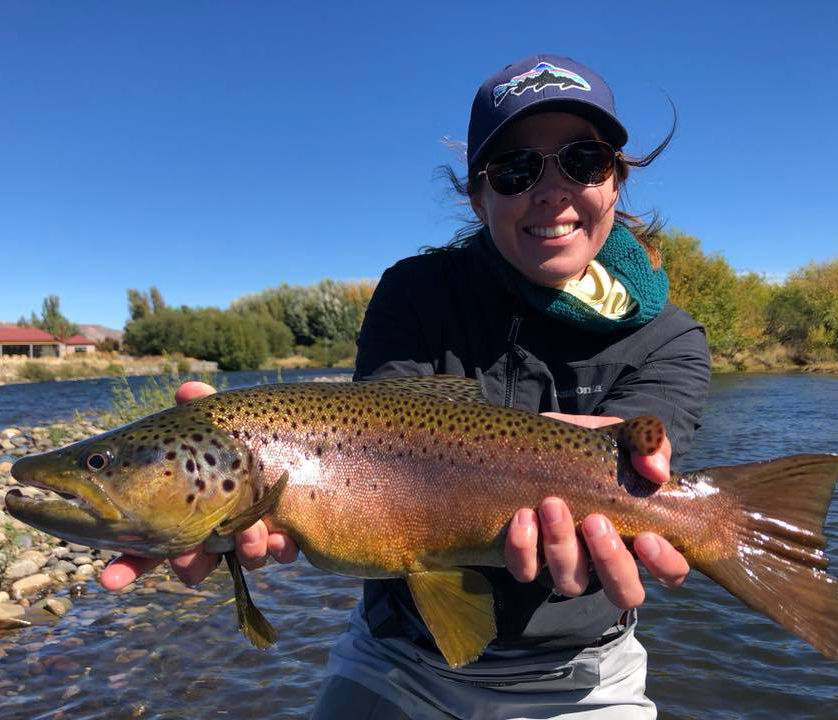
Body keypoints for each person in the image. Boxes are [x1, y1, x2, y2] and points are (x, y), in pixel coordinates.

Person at [102, 54, 710, 719]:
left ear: (615, 182)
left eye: (583, 161)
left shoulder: (673, 339)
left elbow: (639, 457)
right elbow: (384, 434)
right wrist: (246, 475)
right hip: (399, 658)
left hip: (584, 676)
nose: (552, 190)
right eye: (516, 170)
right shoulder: (417, 294)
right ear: (478, 197)